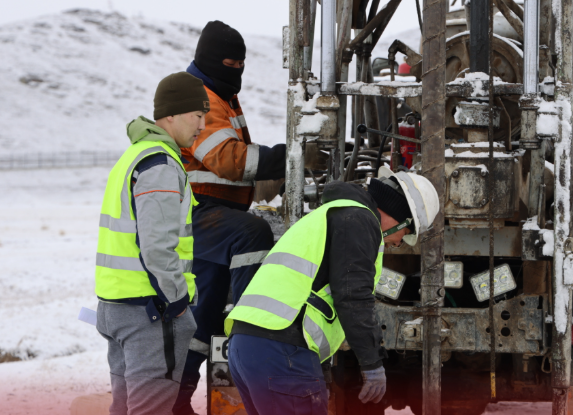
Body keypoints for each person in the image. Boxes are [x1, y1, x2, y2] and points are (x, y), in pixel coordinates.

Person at [224, 168, 441, 415]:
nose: (400, 242)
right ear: (400, 215)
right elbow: (353, 295)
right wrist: (372, 364)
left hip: (249, 346)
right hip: (283, 351)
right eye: (408, 233)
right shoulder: (359, 220)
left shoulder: (332, 215)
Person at [173, 20, 288, 415]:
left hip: (215, 213)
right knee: (253, 234)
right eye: (229, 63)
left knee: (203, 316)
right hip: (199, 214)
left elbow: (235, 163)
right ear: (210, 60)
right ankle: (249, 328)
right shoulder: (199, 98)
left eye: (241, 63)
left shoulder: (222, 95)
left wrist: (276, 177)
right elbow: (227, 159)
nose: (236, 69)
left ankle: (176, 397)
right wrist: (288, 158)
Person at [95, 72, 209, 415]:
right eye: (197, 116)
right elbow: (157, 246)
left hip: (117, 307)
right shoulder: (159, 163)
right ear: (171, 115)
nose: (203, 125)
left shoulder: (135, 155)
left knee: (125, 407)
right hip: (150, 312)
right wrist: (177, 302)